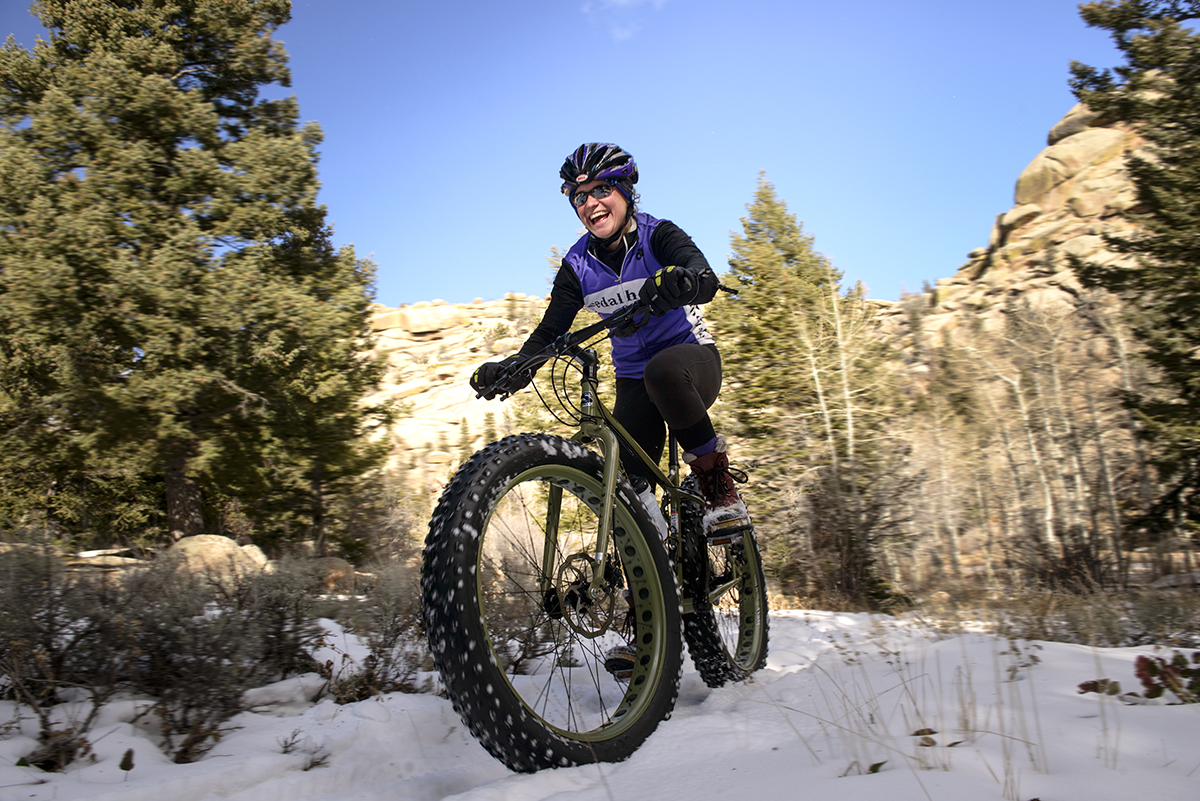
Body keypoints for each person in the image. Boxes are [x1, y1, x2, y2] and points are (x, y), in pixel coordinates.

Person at [469, 141, 750, 541]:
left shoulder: (659, 235)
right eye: (580, 197)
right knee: (628, 490)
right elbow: (549, 333)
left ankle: (720, 492)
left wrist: (680, 280)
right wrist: (516, 368)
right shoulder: (578, 265)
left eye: (602, 190)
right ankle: (652, 585)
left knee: (663, 371)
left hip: (690, 365)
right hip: (634, 381)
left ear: (626, 192)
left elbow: (702, 277)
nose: (591, 203)